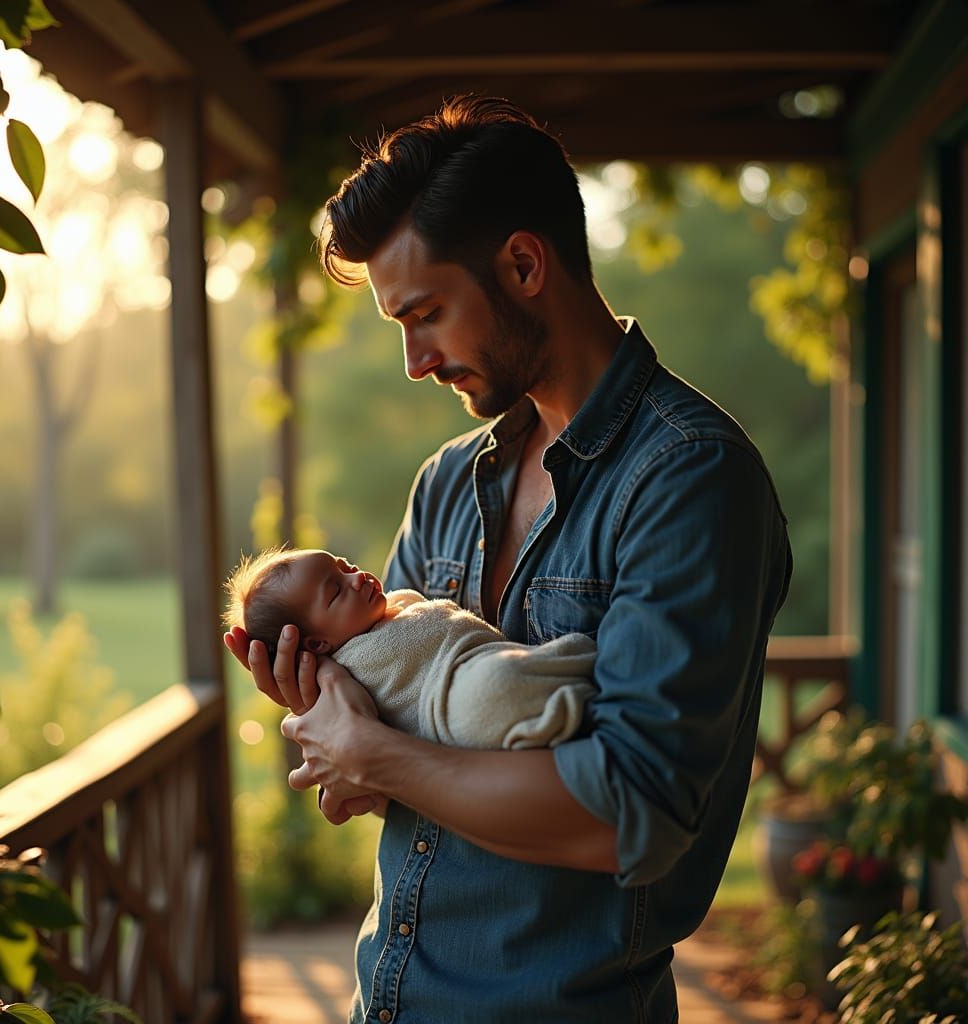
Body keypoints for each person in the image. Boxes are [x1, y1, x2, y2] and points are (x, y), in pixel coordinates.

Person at [225, 95, 792, 1023]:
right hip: (390, 999)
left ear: (524, 265)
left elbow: (631, 814)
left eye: (427, 313)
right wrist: (341, 715)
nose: (413, 360)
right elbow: (373, 784)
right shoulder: (448, 482)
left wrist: (379, 753)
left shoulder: (691, 481)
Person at [223, 546, 596, 748]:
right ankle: (570, 698)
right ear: (319, 643)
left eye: (345, 566)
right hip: (450, 705)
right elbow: (360, 733)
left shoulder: (390, 607)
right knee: (494, 686)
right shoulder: (349, 672)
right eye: (336, 591)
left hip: (477, 657)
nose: (357, 578)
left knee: (505, 672)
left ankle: (577, 670)